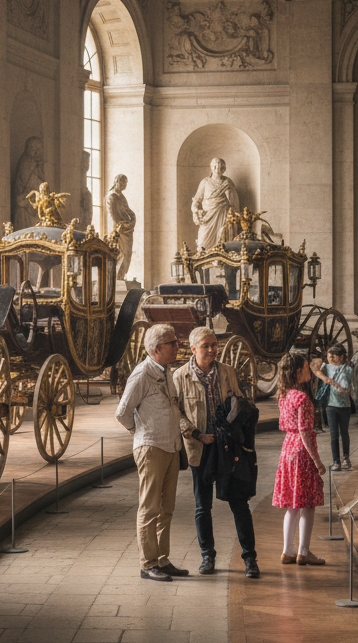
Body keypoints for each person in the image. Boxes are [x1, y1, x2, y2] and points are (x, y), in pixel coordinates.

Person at [173, 327, 260, 578]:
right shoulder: (179, 377)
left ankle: (250, 558)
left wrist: (236, 423)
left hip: (228, 447)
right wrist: (195, 433)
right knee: (202, 506)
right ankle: (207, 556)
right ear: (193, 349)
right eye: (206, 346)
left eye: (214, 345)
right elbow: (176, 412)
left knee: (239, 504)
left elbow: (240, 402)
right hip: (200, 448)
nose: (212, 350)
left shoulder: (227, 372)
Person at [115, 323, 190, 582]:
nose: (177, 347)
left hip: (170, 446)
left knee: (166, 508)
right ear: (157, 349)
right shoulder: (141, 374)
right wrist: (141, 433)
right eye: (173, 343)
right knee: (149, 508)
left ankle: (162, 559)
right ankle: (147, 564)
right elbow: (122, 412)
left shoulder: (166, 372)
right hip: (151, 447)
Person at [272, 352, 327, 565]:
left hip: (287, 447)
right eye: (306, 367)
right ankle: (303, 551)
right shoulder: (302, 398)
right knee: (307, 503)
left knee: (292, 505)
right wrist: (317, 461)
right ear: (297, 371)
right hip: (301, 451)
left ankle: (287, 551)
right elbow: (305, 432)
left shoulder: (284, 394)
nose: (309, 370)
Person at [313, 345, 353, 471]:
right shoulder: (326, 367)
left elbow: (347, 386)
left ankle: (346, 458)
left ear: (341, 357)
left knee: (344, 432)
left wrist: (337, 384)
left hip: (344, 406)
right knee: (333, 434)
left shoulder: (348, 369)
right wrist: (324, 377)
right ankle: (336, 461)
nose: (329, 358)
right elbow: (314, 367)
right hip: (330, 405)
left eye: (332, 356)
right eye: (329, 356)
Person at [191, 158, 239, 251]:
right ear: (211, 168)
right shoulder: (205, 182)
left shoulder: (227, 182)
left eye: (220, 167)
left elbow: (234, 202)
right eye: (215, 166)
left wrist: (236, 215)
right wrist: (195, 209)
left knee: (223, 238)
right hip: (208, 215)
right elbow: (197, 198)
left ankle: (221, 259)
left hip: (224, 213)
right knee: (203, 240)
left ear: (224, 169)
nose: (217, 169)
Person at [105, 174, 136, 280]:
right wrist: (124, 225)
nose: (125, 185)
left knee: (128, 253)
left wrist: (132, 220)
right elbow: (115, 216)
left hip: (127, 229)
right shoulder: (112, 196)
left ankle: (121, 276)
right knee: (122, 253)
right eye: (123, 182)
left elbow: (128, 210)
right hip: (119, 231)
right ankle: (118, 276)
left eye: (126, 183)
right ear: (117, 182)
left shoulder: (121, 196)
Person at [13, 135, 45, 229]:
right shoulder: (27, 162)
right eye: (40, 148)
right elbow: (32, 184)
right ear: (34, 149)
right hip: (26, 205)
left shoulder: (35, 163)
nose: (42, 151)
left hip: (33, 205)